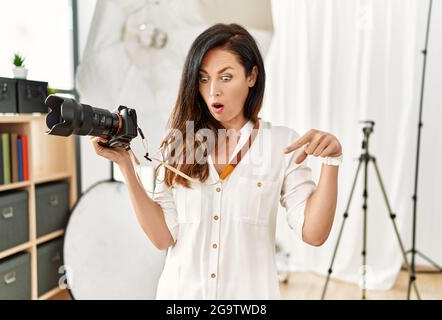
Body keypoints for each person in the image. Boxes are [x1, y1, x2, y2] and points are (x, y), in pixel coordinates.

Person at [91, 23, 342, 299]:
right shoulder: (178, 144)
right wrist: (127, 166)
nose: (213, 91)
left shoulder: (283, 144)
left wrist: (331, 163)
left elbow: (314, 233)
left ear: (252, 76)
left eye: (225, 77)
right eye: (203, 78)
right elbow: (163, 237)